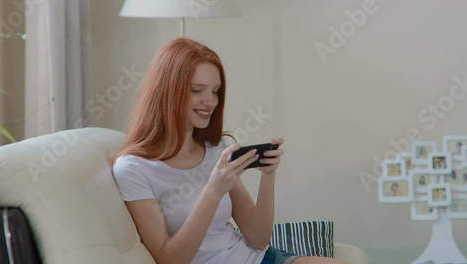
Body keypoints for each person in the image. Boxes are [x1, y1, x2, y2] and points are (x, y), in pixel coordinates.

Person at [111, 38, 347, 264]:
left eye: (215, 91)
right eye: (197, 90)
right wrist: (213, 190)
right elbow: (171, 260)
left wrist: (268, 175)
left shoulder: (216, 148)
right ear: (168, 91)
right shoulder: (133, 168)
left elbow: (258, 238)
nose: (211, 101)